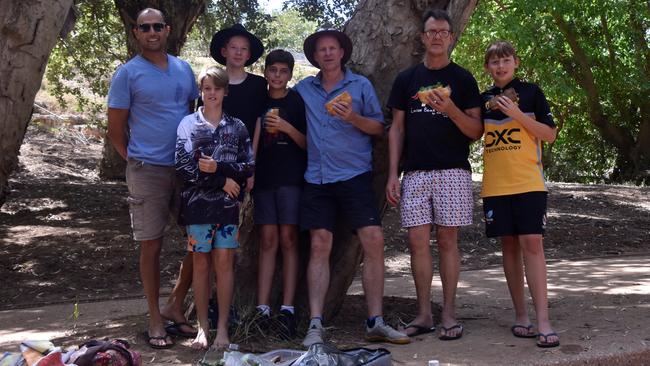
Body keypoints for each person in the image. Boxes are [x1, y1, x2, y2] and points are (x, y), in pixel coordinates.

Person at [295, 28, 410, 347]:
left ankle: (375, 321)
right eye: (322, 50)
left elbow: (378, 128)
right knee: (319, 244)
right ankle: (315, 325)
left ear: (342, 52)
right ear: (315, 56)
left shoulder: (359, 86)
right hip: (316, 179)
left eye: (333, 48)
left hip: (354, 176)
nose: (328, 53)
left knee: (373, 239)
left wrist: (352, 118)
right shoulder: (304, 89)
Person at [385, 9, 483, 340]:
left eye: (443, 31)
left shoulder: (464, 79)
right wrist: (392, 175)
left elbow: (475, 130)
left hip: (453, 171)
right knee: (416, 242)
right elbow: (396, 130)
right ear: (423, 38)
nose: (437, 36)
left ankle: (450, 314)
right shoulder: (406, 80)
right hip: (414, 173)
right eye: (432, 32)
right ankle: (425, 313)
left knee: (447, 241)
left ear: (451, 38)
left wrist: (450, 109)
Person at [107, 7, 199, 349]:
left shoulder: (183, 69)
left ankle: (175, 304)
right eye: (144, 27)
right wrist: (135, 161)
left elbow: (192, 113)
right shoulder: (127, 74)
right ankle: (154, 318)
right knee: (151, 245)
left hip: (185, 168)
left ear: (167, 29)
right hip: (148, 170)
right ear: (137, 33)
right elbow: (115, 130)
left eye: (157, 26)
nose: (151, 32)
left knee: (200, 239)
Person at [481, 40, 559, 348]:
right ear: (488, 67)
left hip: (528, 182)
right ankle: (521, 316)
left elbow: (549, 134)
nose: (500, 66)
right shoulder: (483, 99)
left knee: (532, 244)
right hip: (496, 185)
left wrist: (516, 113)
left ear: (516, 63)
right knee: (509, 247)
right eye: (494, 62)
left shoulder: (532, 93)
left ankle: (543, 321)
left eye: (506, 60)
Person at [176, 66, 255, 349]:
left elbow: (248, 166)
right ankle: (202, 328)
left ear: (225, 92)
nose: (212, 94)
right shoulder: (188, 125)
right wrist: (221, 180)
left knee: (224, 263)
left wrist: (220, 168)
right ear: (201, 91)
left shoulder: (237, 126)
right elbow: (184, 167)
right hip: (197, 207)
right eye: (207, 88)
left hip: (227, 209)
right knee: (201, 264)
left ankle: (222, 329)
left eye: (217, 89)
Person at [251, 49, 307, 339]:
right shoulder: (259, 100)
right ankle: (262, 308)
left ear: (290, 74)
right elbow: (254, 144)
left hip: (291, 179)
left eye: (282, 71)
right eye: (272, 70)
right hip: (264, 180)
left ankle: (287, 308)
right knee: (268, 240)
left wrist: (286, 126)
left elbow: (308, 143)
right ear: (265, 72)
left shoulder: (296, 101)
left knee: (288, 239)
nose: (277, 76)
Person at [210, 23, 267, 140]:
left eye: (244, 48)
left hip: (246, 154)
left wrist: (253, 156)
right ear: (224, 51)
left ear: (248, 55)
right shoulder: (212, 83)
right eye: (233, 47)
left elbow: (259, 122)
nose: (238, 53)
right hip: (215, 153)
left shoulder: (258, 84)